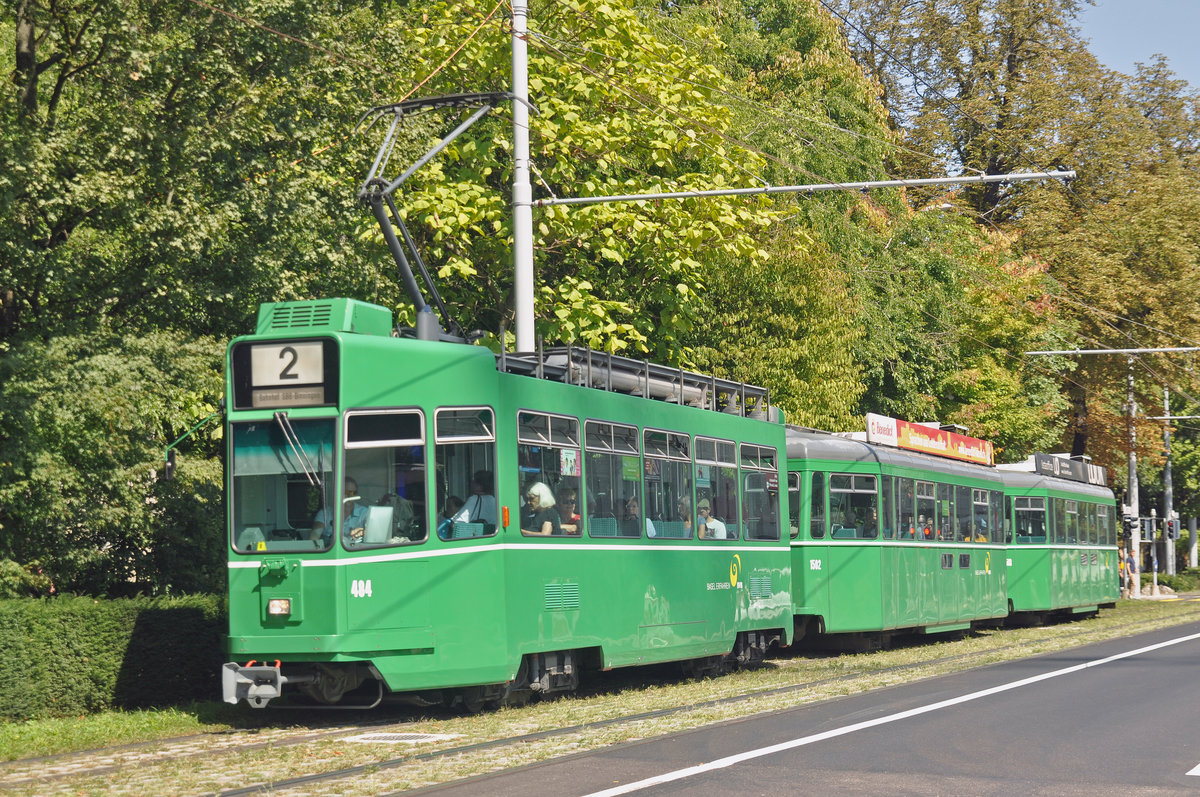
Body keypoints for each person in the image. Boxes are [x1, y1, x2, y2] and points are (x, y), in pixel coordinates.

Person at [311, 476, 369, 545]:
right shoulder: (325, 513)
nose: (350, 496)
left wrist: (363, 532)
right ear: (338, 492)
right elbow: (314, 536)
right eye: (346, 492)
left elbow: (374, 536)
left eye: (353, 493)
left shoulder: (364, 513)